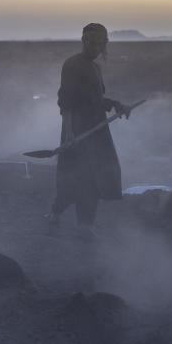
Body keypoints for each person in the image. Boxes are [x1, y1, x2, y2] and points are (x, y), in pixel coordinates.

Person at [49, 23, 132, 234]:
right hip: (77, 129)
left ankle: (85, 224)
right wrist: (69, 133)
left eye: (99, 43)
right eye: (90, 42)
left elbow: (94, 99)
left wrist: (115, 104)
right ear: (83, 41)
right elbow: (66, 101)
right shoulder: (72, 65)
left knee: (96, 175)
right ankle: (57, 213)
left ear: (104, 44)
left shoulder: (96, 68)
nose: (94, 47)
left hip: (97, 129)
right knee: (76, 176)